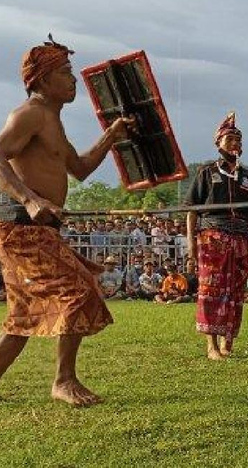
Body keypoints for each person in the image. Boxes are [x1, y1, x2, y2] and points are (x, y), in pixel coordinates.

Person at [0, 35, 134, 406]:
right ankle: (64, 380)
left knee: (23, 317)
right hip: (19, 228)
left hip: (39, 230)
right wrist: (29, 199)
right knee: (78, 292)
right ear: (42, 80)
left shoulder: (52, 122)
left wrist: (111, 135)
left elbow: (80, 169)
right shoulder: (28, 114)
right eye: (64, 72)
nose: (73, 80)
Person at [185, 112, 248, 360]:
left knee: (235, 290)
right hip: (213, 236)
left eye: (238, 140)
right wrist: (190, 243)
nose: (235, 143)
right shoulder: (206, 172)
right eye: (229, 139)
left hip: (241, 237)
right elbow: (192, 211)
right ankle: (212, 346)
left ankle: (227, 340)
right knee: (211, 289)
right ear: (218, 142)